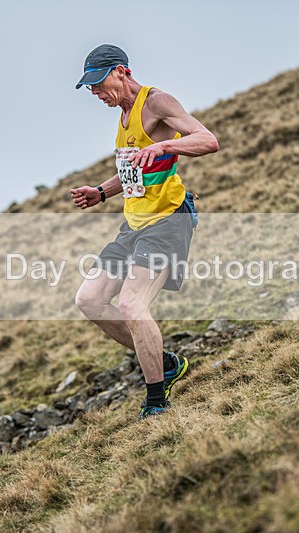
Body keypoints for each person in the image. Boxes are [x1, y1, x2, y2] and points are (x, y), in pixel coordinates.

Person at [70, 44, 219, 419]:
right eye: (90, 88)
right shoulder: (122, 117)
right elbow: (133, 171)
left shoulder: (156, 103)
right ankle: (166, 363)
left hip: (168, 219)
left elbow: (208, 139)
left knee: (132, 305)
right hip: (134, 223)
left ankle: (156, 402)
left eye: (99, 84)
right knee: (89, 300)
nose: (96, 93)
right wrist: (101, 191)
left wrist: (169, 144)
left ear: (121, 71)